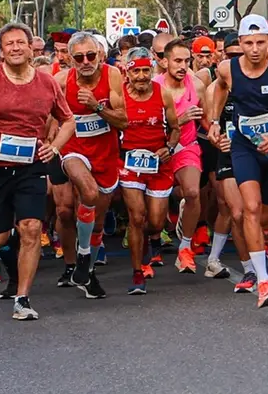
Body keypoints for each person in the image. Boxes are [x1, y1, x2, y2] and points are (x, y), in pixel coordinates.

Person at [0, 22, 74, 320]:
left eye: (21, 42)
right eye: (10, 44)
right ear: (1, 50)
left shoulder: (47, 84)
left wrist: (54, 146)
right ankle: (13, 256)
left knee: (32, 228)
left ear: (31, 47)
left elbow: (68, 120)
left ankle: (22, 298)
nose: (16, 48)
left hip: (30, 166)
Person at [207, 14, 268, 307]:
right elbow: (221, 88)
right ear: (240, 43)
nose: (255, 48)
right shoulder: (228, 68)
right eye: (248, 43)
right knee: (249, 207)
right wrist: (213, 120)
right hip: (244, 145)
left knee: (266, 216)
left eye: (261, 42)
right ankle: (262, 280)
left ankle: (260, 255)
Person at [54, 32, 125, 298]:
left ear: (100, 55)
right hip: (73, 149)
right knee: (88, 192)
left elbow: (123, 121)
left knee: (96, 223)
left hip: (105, 154)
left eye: (91, 55)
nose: (86, 61)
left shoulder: (112, 76)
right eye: (79, 57)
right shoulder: (61, 81)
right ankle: (81, 257)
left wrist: (96, 107)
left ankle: (88, 271)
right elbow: (47, 117)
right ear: (70, 60)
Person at [108, 46, 180, 294]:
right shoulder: (119, 97)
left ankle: (153, 240)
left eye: (145, 71)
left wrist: (168, 147)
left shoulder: (163, 94)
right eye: (136, 71)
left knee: (156, 222)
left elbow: (175, 128)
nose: (141, 76)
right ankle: (138, 272)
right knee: (136, 217)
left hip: (159, 163)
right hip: (129, 163)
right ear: (127, 73)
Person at [200, 32, 250, 281]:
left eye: (239, 55)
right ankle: (215, 259)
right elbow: (211, 125)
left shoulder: (258, 81)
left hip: (256, 152)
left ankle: (262, 255)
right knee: (232, 209)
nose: (236, 60)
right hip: (227, 152)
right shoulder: (214, 88)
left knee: (258, 211)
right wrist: (218, 138)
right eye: (230, 55)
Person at [156, 37, 205, 273]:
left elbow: (208, 117)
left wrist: (216, 132)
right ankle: (150, 249)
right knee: (151, 213)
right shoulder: (153, 85)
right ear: (165, 62)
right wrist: (180, 119)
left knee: (194, 192)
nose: (182, 66)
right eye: (177, 60)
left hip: (186, 147)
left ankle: (185, 248)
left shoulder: (197, 85)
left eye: (187, 60)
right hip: (158, 150)